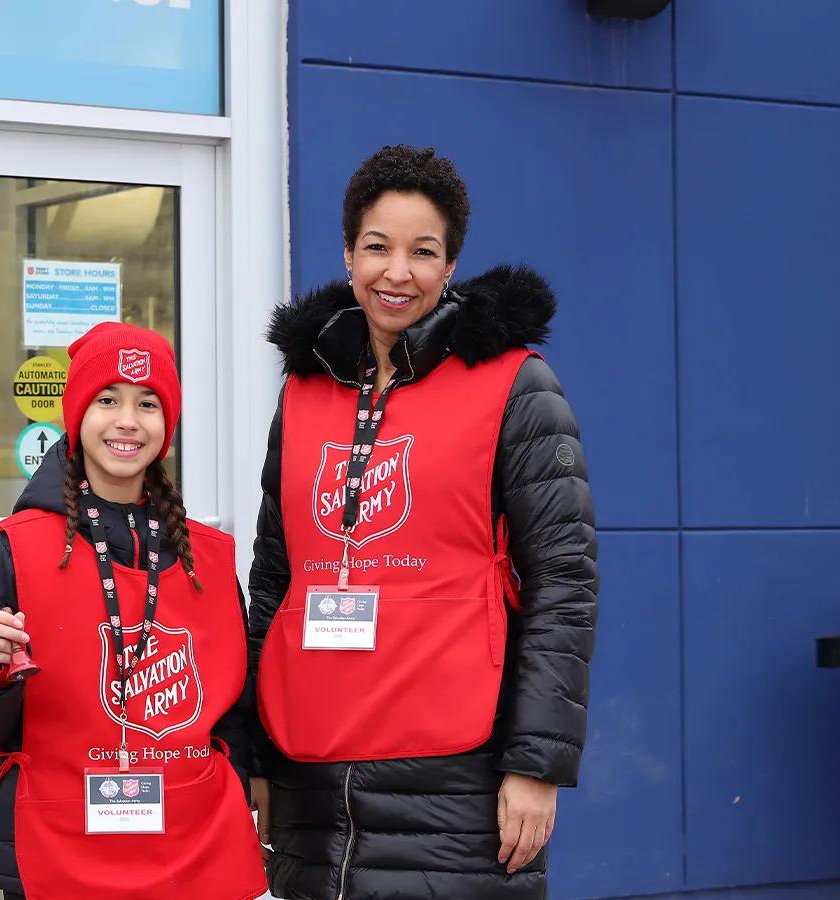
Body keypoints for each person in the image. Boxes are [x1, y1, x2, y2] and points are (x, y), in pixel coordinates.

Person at [248, 145, 599, 899]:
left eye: (422, 252)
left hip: (455, 774)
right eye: (377, 247)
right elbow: (274, 580)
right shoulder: (303, 394)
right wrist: (254, 751)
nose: (396, 272)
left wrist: (535, 765)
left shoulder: (516, 385)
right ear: (348, 255)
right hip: (311, 770)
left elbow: (563, 584)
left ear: (450, 266)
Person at [0, 322, 267, 900]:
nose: (127, 421)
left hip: (194, 843)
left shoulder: (208, 558)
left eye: (148, 404)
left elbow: (233, 710)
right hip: (58, 841)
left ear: (167, 426)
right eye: (107, 400)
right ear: (76, 415)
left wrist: (243, 783)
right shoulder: (14, 547)